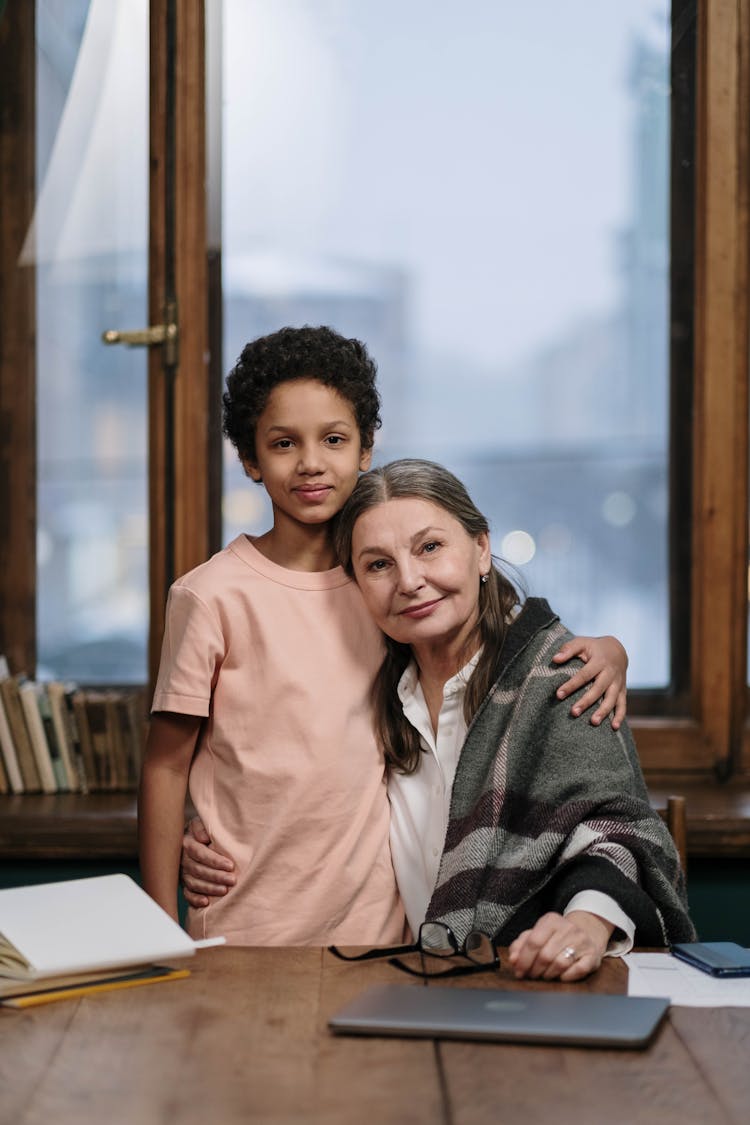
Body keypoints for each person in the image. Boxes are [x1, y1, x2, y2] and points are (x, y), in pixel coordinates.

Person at [140, 325, 629, 947]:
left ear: (366, 448)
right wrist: (158, 930)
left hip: (381, 935)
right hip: (245, 925)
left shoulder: (386, 587)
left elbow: (506, 650)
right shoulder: (210, 596)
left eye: (334, 439)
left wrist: (610, 649)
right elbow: (167, 763)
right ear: (249, 459)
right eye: (284, 443)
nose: (312, 461)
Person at [332, 459, 695, 979]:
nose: (409, 580)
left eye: (430, 547)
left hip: (534, 983)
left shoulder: (562, 674)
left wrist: (586, 926)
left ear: (481, 549)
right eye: (378, 564)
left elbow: (618, 827)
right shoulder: (370, 694)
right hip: (407, 983)